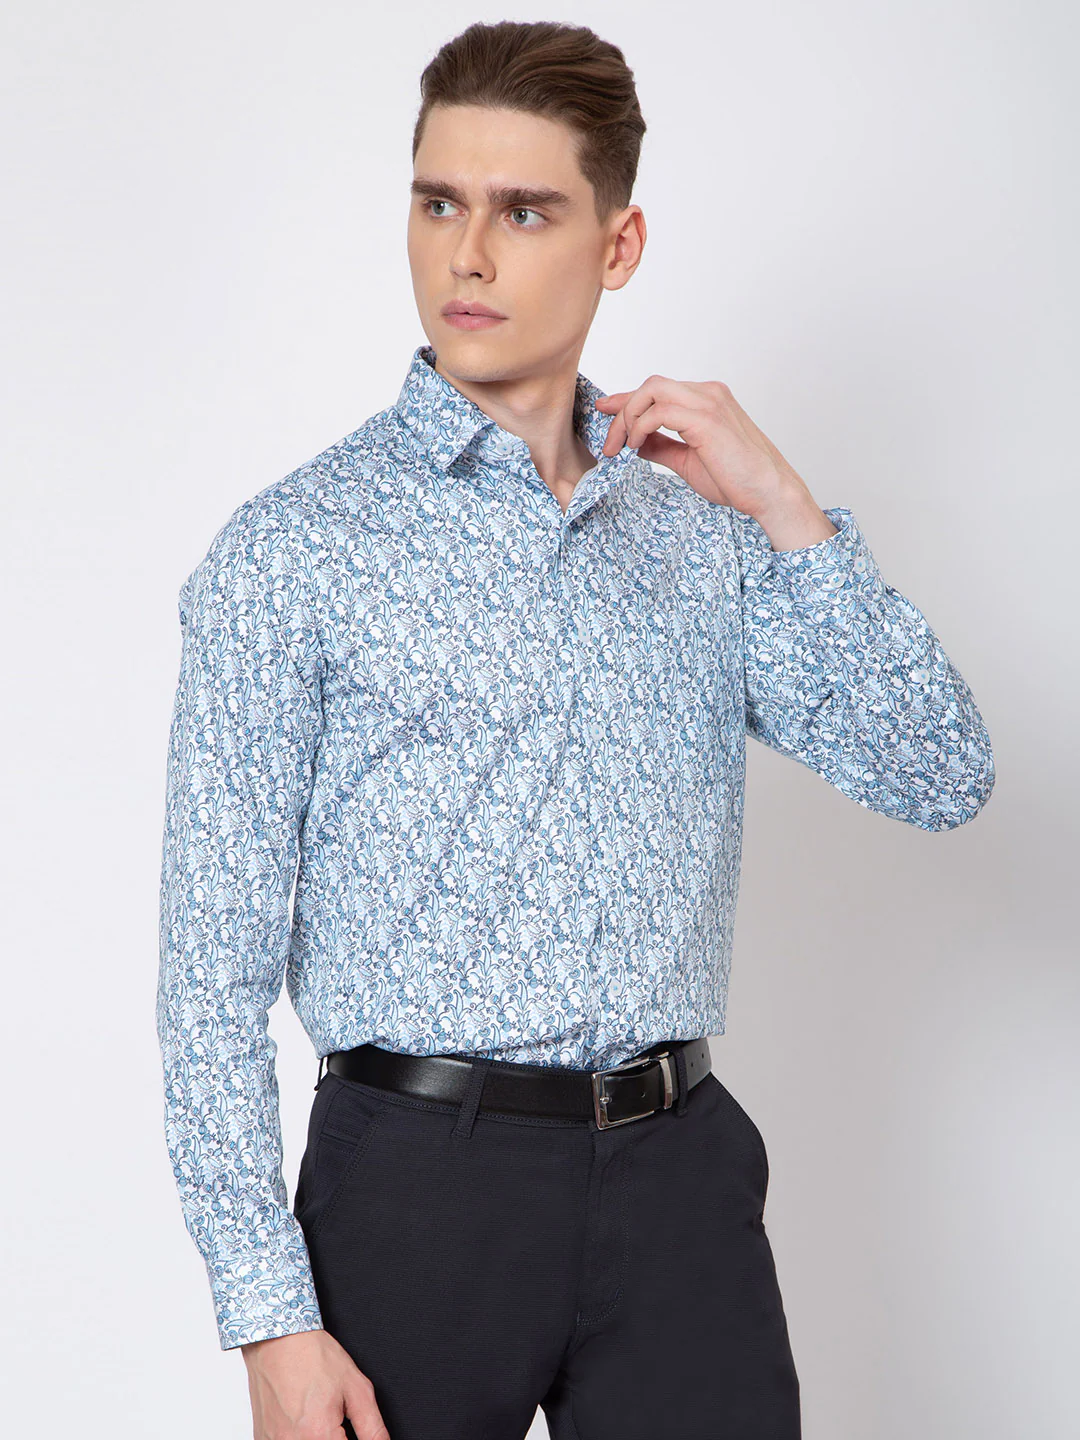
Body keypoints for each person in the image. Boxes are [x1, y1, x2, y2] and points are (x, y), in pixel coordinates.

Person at [155, 19, 995, 1440]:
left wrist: (787, 510)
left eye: (525, 210)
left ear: (620, 244)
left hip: (679, 1183)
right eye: (439, 203)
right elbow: (208, 982)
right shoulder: (291, 554)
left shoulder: (699, 537)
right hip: (417, 1191)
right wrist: (270, 1319)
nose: (468, 255)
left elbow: (939, 770)